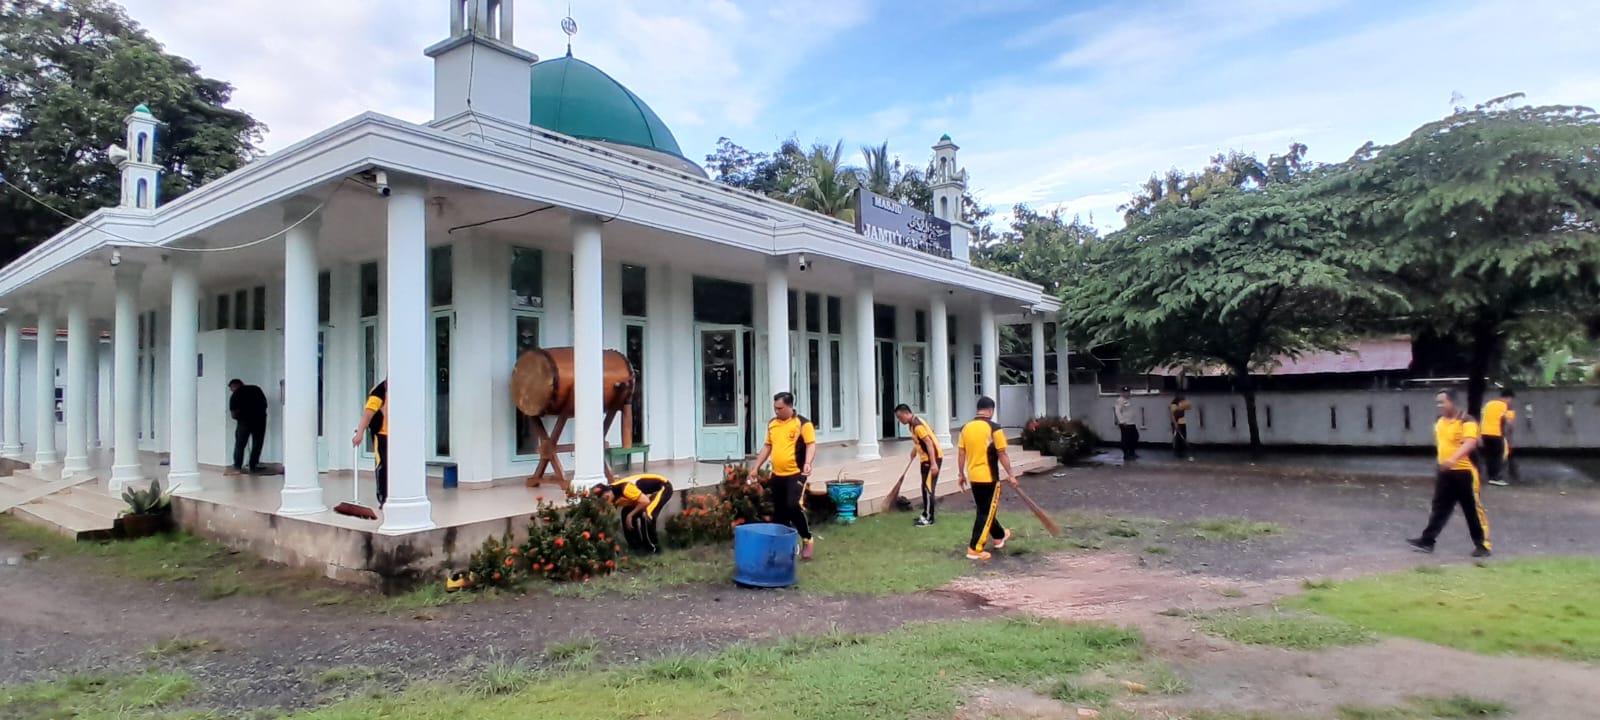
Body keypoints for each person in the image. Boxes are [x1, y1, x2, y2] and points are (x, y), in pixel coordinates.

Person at [1408, 389, 1491, 558]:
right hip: (1445, 472)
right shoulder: (1440, 421)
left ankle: (1483, 545)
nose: (1440, 406)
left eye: (1442, 402)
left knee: (1472, 509)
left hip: (1464, 472)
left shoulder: (1466, 421)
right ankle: (1427, 540)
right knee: (1439, 508)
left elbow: (1470, 443)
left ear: (1452, 402)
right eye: (1438, 402)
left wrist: (1453, 459)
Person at [748, 392, 817, 560]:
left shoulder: (803, 424)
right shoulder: (773, 424)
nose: (776, 411)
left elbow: (811, 445)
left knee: (793, 506)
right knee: (779, 513)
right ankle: (786, 547)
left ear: (789, 406)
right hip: (777, 475)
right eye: (775, 408)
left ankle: (807, 538)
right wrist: (756, 467)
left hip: (796, 474)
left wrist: (808, 463)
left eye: (780, 408)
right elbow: (767, 446)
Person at [958, 396, 1019, 561]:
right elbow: (1002, 453)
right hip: (989, 478)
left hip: (973, 477)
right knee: (985, 512)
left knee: (985, 509)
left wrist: (961, 474)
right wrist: (1011, 475)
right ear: (991, 410)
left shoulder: (965, 428)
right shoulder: (994, 428)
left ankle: (999, 536)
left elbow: (961, 452)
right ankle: (974, 549)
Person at [595, 473, 673, 555]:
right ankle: (636, 547)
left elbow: (645, 501)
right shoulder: (612, 496)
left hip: (663, 487)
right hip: (644, 496)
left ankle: (654, 549)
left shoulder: (625, 488)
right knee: (625, 513)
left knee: (647, 514)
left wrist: (631, 515)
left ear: (607, 495)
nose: (605, 503)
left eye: (605, 499)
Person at [895, 403, 944, 526]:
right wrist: (914, 451)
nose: (900, 421)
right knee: (924, 487)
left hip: (932, 459)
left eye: (900, 417)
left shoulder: (917, 426)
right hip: (924, 459)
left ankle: (929, 518)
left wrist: (933, 464)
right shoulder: (913, 424)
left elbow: (929, 443)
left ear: (907, 413)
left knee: (928, 488)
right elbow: (921, 439)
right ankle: (925, 514)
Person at [351, 380, 388, 508]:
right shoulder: (379, 392)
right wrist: (359, 433)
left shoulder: (402, 390)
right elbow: (368, 415)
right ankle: (384, 498)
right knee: (383, 466)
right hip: (382, 435)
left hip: (398, 437)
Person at [226, 379, 269, 475]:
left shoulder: (235, 395)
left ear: (235, 386)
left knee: (240, 445)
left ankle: (237, 467)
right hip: (260, 420)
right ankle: (253, 466)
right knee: (257, 443)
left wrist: (239, 416)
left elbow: (233, 414)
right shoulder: (256, 389)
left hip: (244, 422)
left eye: (231, 388)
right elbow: (265, 404)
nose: (231, 390)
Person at [1479, 388, 1517, 487]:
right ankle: (1496, 477)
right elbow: (1509, 424)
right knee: (1498, 455)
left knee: (1489, 455)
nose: (1511, 401)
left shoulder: (1489, 404)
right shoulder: (1506, 406)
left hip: (1484, 433)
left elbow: (1483, 415)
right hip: (1496, 433)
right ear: (1509, 398)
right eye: (1511, 399)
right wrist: (1509, 437)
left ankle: (1490, 476)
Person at [1114, 387, 1139, 460]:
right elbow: (1117, 411)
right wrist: (1122, 421)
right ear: (1122, 393)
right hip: (1125, 423)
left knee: (1135, 437)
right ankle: (1126, 454)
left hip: (1131, 422)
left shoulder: (1130, 400)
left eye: (1128, 392)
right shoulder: (1120, 400)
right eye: (1125, 392)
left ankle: (1132, 452)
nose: (1127, 393)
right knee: (1125, 439)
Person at [1170, 392, 1193, 461]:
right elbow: (1173, 415)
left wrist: (1183, 404)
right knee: (1178, 438)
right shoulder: (1174, 404)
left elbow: (1189, 406)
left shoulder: (1182, 403)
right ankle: (1178, 452)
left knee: (1183, 436)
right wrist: (1175, 425)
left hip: (1182, 422)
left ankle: (1183, 451)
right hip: (1177, 423)